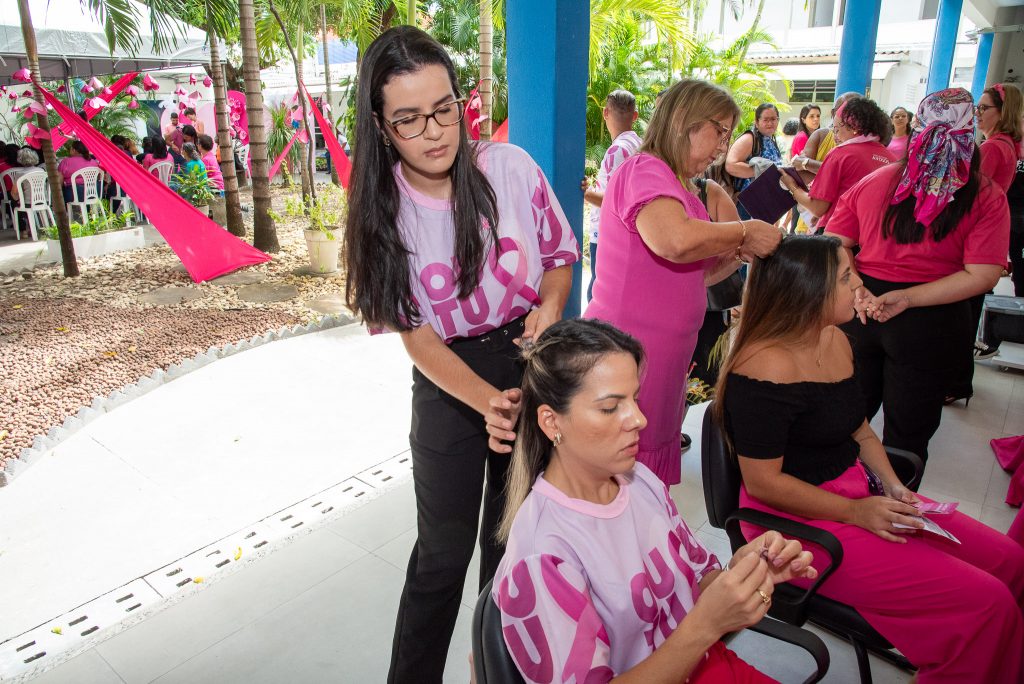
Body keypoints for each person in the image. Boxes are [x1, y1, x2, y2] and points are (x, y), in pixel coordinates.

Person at [342, 26, 578, 684]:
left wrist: (551, 306)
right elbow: (415, 336)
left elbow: (558, 258)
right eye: (410, 120)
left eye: (444, 108)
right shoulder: (382, 210)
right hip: (450, 379)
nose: (435, 131)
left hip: (527, 361)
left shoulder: (509, 168)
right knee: (441, 557)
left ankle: (493, 671)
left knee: (510, 544)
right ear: (381, 125)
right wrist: (486, 403)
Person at [716, 234, 1024, 684]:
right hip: (791, 527)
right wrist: (857, 512)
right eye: (845, 277)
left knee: (1010, 563)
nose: (859, 282)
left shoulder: (835, 341)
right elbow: (764, 484)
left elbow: (859, 430)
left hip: (855, 491)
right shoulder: (764, 366)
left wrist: (895, 487)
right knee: (986, 603)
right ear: (807, 291)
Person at [493, 318, 818, 684]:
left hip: (707, 665)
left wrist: (742, 576)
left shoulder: (639, 480)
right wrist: (704, 626)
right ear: (552, 423)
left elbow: (697, 578)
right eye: (610, 407)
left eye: (634, 398)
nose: (640, 419)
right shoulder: (543, 554)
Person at [580, 79, 782, 487]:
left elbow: (697, 273)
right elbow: (673, 241)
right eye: (719, 131)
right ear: (684, 121)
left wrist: (737, 254)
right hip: (631, 349)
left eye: (728, 134)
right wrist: (743, 231)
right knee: (624, 469)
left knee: (645, 470)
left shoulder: (678, 185)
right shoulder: (645, 168)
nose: (724, 146)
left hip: (662, 353)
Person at [823, 88, 1009, 462]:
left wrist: (857, 287)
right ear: (968, 132)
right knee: (907, 436)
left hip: (862, 310)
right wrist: (907, 297)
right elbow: (983, 274)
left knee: (842, 421)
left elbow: (834, 243)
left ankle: (842, 505)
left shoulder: (875, 182)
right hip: (932, 318)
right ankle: (895, 509)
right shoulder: (984, 195)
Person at [959, 85, 1024, 376]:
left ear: (1003, 112)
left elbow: (969, 196)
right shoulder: (1007, 145)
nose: (977, 115)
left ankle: (957, 378)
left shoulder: (993, 148)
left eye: (984, 108)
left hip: (975, 234)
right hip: (987, 235)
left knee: (963, 311)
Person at [782, 96, 896, 231]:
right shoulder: (891, 158)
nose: (834, 136)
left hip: (839, 235)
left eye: (836, 129)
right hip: (873, 233)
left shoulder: (840, 154)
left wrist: (792, 187)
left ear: (852, 127)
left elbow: (817, 207)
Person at [582, 89, 641, 302]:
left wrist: (586, 194)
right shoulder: (639, 145)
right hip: (629, 234)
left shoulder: (618, 151)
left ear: (606, 113)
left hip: (607, 233)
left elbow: (617, 201)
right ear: (634, 116)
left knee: (597, 295)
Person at [726, 103, 783, 217]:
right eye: (766, 120)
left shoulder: (771, 141)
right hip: (747, 202)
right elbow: (731, 166)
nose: (770, 123)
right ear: (757, 122)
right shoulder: (749, 139)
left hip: (765, 201)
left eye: (773, 119)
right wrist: (762, 171)